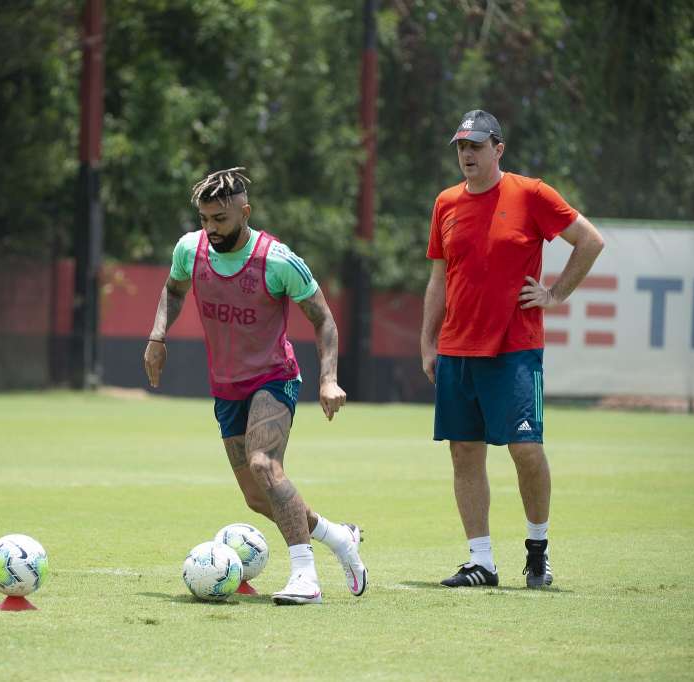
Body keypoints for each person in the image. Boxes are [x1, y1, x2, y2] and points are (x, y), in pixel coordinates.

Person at [144, 167, 367, 605]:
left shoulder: (278, 260)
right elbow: (173, 290)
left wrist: (328, 379)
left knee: (264, 464)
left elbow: (323, 318)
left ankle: (306, 577)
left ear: (244, 212)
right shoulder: (190, 250)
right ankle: (339, 538)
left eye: (220, 219)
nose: (211, 228)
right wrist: (157, 337)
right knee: (255, 496)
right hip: (226, 388)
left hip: (274, 377)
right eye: (205, 219)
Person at [421, 110, 605, 588]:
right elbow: (439, 279)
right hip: (458, 348)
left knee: (525, 449)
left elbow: (590, 241)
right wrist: (427, 342)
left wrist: (555, 294)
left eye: (477, 146)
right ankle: (481, 561)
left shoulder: (531, 194)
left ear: (498, 149)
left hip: (514, 349)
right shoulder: (445, 203)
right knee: (464, 452)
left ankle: (537, 551)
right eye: (461, 147)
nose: (467, 155)